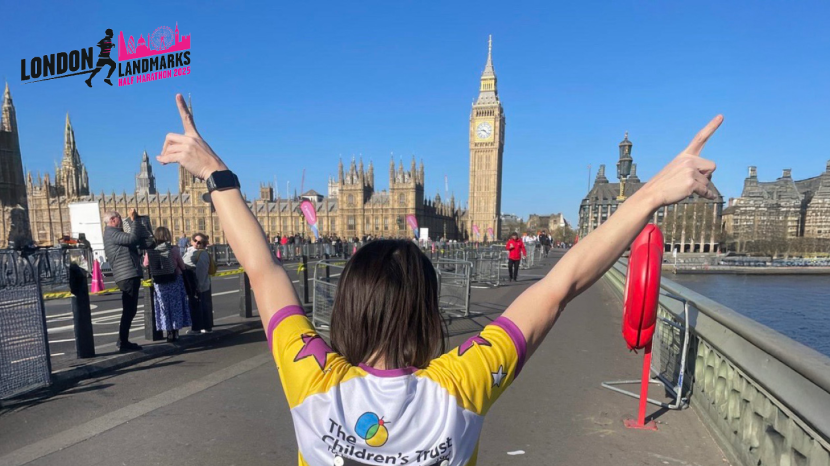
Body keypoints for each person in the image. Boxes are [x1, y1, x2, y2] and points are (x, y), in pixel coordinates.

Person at [156, 93, 721, 465]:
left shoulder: (313, 379)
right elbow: (559, 286)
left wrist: (213, 172)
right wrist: (652, 194)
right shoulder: (458, 386)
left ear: (346, 307)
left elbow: (262, 269)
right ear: (429, 312)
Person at [103, 209, 149, 352]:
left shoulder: (114, 233)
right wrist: (134, 220)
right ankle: (123, 342)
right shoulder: (112, 233)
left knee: (130, 310)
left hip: (128, 274)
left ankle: (122, 340)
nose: (122, 220)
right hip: (127, 274)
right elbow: (132, 238)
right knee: (129, 310)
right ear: (112, 220)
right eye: (119, 217)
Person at [144, 226, 191, 342]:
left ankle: (168, 332)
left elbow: (145, 264)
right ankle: (175, 331)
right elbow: (182, 265)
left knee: (163, 307)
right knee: (176, 306)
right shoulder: (173, 249)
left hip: (160, 282)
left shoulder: (151, 250)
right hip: (175, 280)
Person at [183, 232, 214, 333]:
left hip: (198, 285)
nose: (197, 243)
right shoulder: (190, 251)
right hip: (192, 284)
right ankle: (204, 327)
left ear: (203, 244)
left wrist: (198, 286)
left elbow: (201, 271)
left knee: (199, 306)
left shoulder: (202, 254)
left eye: (199, 242)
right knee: (198, 305)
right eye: (195, 241)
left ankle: (198, 328)